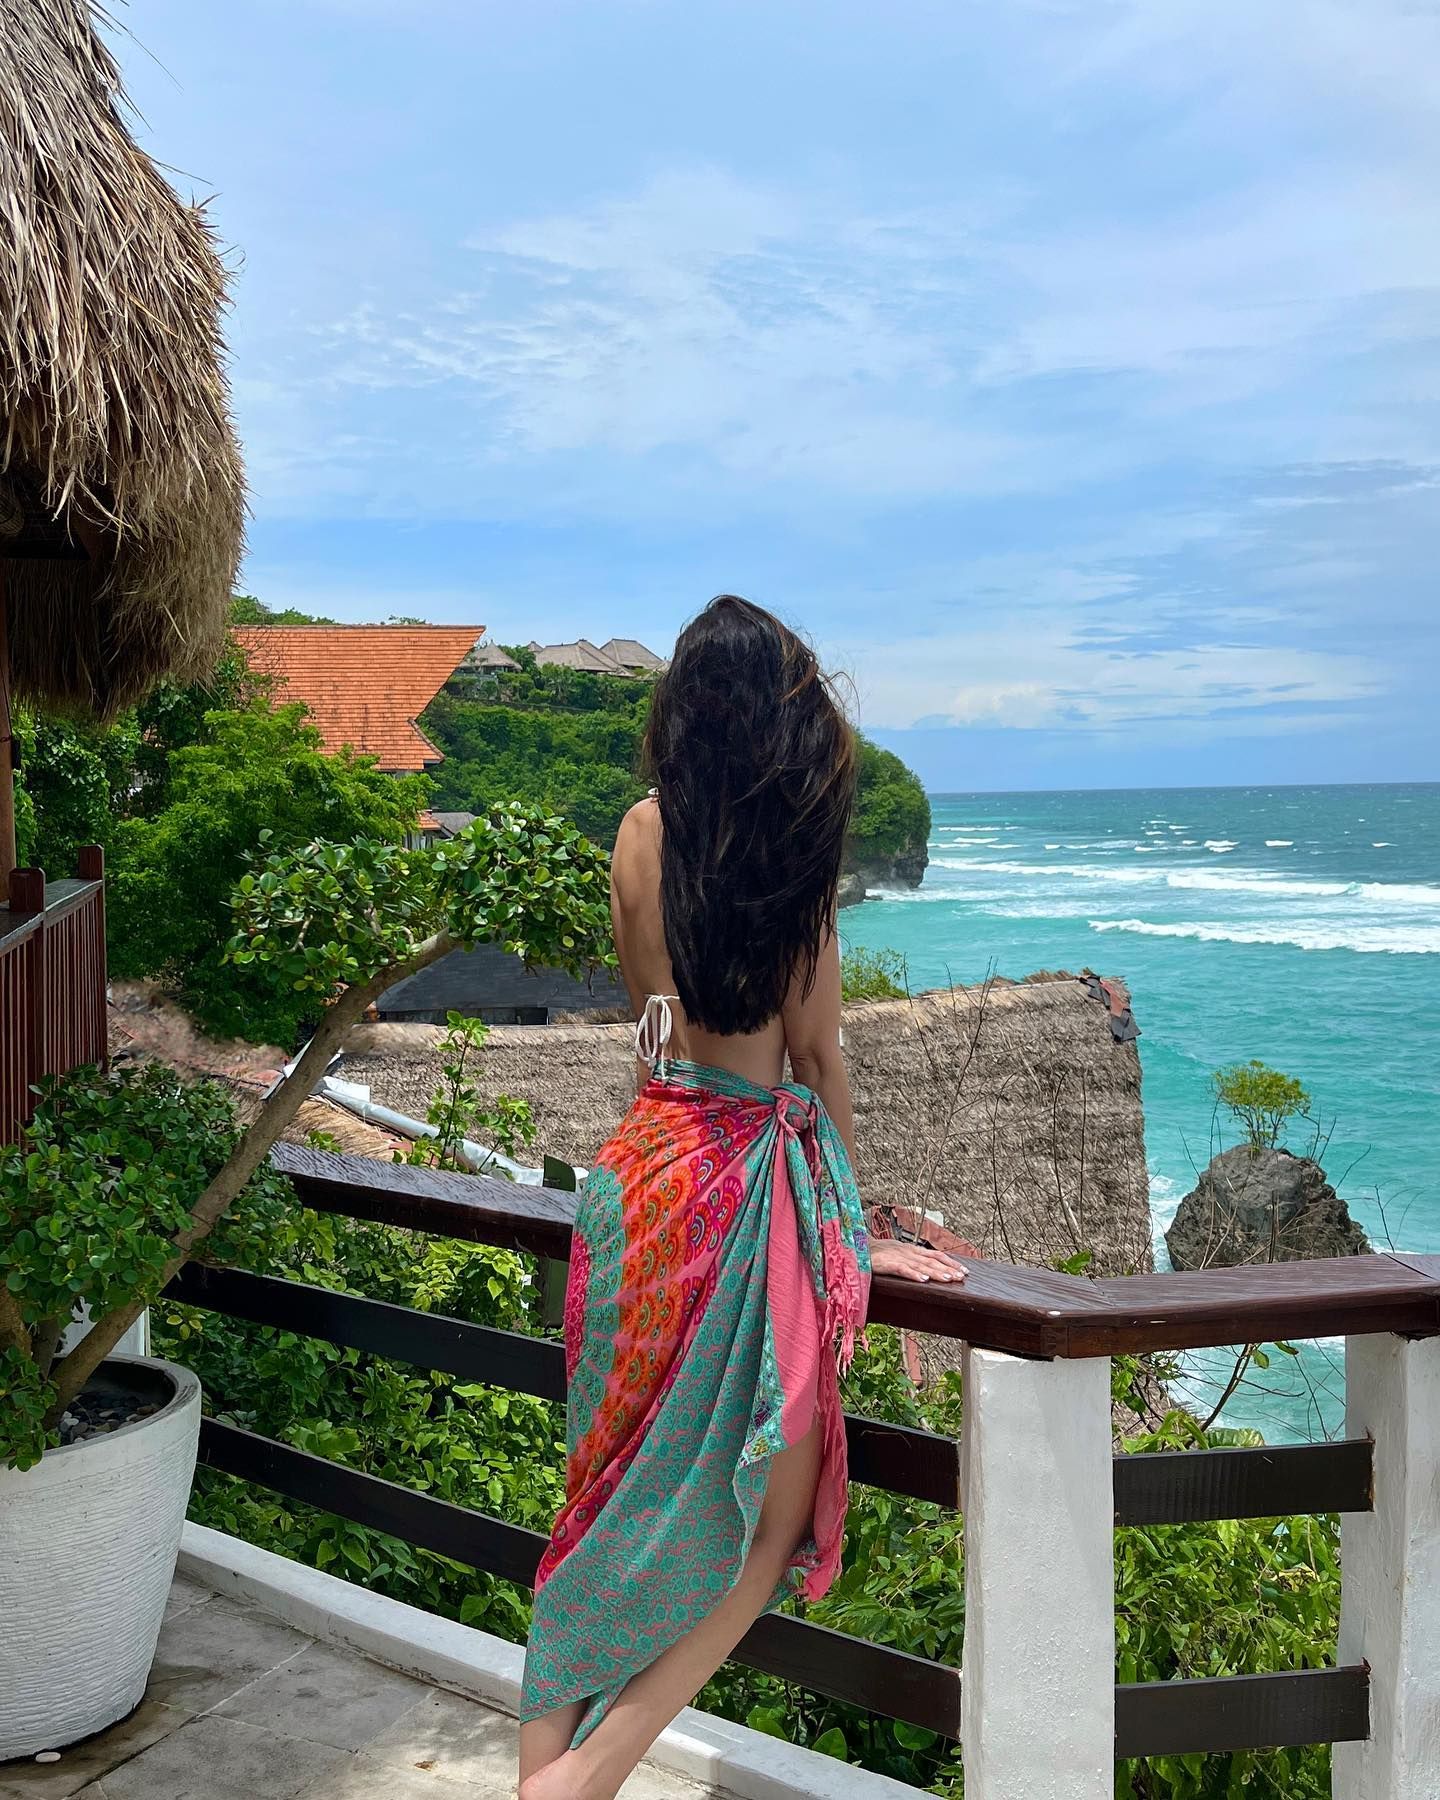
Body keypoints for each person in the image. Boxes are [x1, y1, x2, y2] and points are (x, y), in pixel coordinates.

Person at [518, 595, 965, 1800]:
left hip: (639, 1173)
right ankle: (584, 1778)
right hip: (736, 1190)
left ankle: (542, 1768)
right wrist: (852, 1228)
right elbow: (814, 1059)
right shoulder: (790, 864)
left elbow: (649, 1023)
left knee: (602, 1498)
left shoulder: (634, 832)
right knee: (769, 1530)